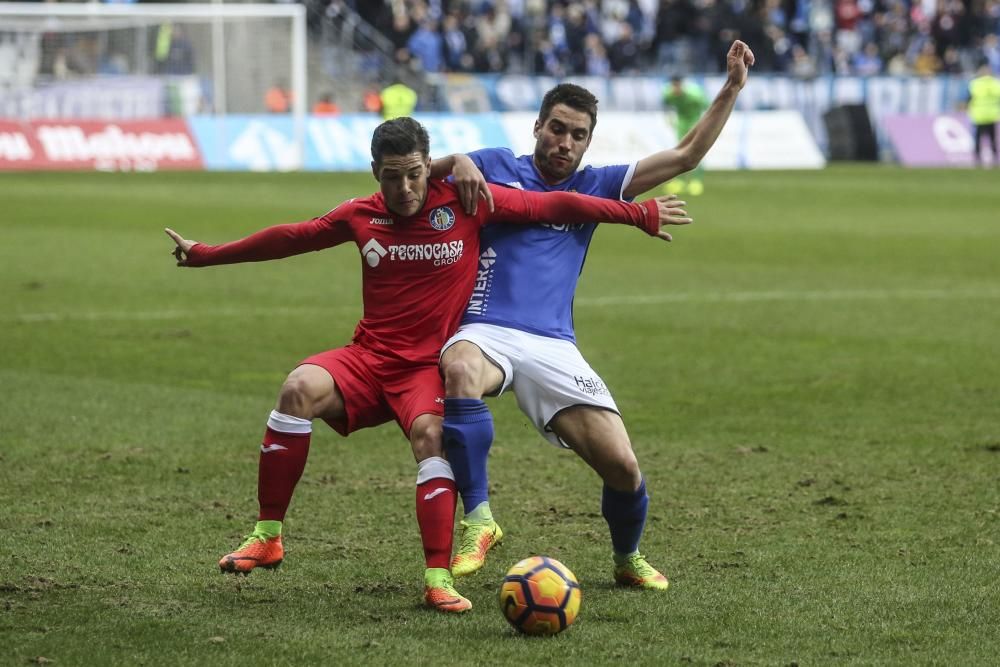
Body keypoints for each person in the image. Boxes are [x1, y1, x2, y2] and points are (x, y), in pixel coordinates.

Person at [163, 117, 691, 613]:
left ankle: (437, 578)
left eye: (416, 174)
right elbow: (293, 237)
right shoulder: (360, 214)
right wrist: (207, 254)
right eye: (393, 178)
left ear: (428, 166)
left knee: (432, 438)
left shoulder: (466, 200)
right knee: (297, 388)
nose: (407, 189)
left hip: (424, 369)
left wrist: (636, 213)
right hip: (368, 358)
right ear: (377, 174)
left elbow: (554, 205)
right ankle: (267, 537)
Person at [430, 39, 754, 588]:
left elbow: (685, 157)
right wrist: (453, 160)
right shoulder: (493, 165)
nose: (565, 142)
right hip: (485, 328)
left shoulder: (595, 184)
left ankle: (627, 559)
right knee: (459, 369)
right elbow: (412, 176)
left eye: (578, 135)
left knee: (623, 467)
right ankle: (480, 520)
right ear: (537, 126)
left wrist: (730, 89)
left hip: (555, 344)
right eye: (557, 128)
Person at [662, 74, 710, 195]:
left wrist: (708, 124)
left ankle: (696, 181)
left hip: (695, 123)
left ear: (681, 84)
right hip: (681, 124)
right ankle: (680, 181)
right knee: (680, 152)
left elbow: (708, 107)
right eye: (673, 86)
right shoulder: (669, 93)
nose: (675, 88)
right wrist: (668, 117)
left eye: (677, 85)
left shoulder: (695, 95)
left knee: (697, 152)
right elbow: (665, 103)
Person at [967, 60, 1000, 167]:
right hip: (991, 115)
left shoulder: (975, 83)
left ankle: (977, 159)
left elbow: (969, 98)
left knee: (978, 138)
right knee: (992, 138)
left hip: (979, 115)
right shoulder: (996, 83)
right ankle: (995, 159)